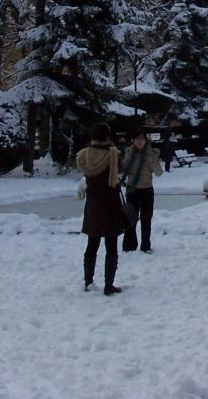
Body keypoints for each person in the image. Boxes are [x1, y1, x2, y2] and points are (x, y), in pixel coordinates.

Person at [76, 122, 124, 295]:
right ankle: (108, 284)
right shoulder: (113, 154)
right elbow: (123, 169)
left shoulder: (83, 155)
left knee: (92, 244)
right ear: (108, 136)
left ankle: (88, 281)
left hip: (93, 205)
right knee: (111, 245)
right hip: (110, 203)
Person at [121, 128, 163, 253]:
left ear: (146, 140)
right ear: (133, 140)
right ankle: (130, 245)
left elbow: (159, 172)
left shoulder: (152, 153)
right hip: (132, 190)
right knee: (130, 219)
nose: (139, 142)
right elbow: (123, 169)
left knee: (146, 219)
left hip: (147, 190)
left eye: (141, 139)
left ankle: (146, 245)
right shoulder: (129, 152)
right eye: (137, 139)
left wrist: (152, 159)